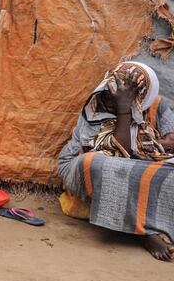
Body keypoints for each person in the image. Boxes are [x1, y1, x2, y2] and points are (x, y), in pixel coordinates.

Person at [58, 61, 174, 261]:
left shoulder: (156, 104)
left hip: (140, 161)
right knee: (102, 165)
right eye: (116, 87)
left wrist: (149, 146)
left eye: (128, 91)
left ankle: (160, 224)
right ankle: (142, 232)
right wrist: (124, 109)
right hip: (85, 161)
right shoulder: (98, 103)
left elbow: (171, 140)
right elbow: (119, 150)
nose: (116, 93)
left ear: (144, 92)